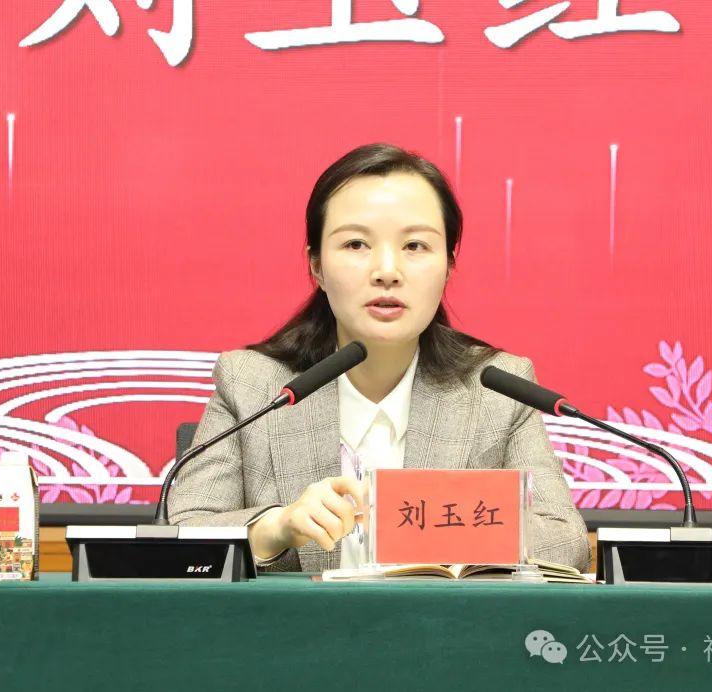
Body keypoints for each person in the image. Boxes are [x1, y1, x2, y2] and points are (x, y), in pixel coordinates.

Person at [166, 143, 590, 573]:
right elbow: (182, 534)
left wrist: (438, 527)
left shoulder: (498, 389)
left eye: (415, 245)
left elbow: (565, 541)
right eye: (356, 244)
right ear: (316, 265)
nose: (387, 271)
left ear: (449, 265)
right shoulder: (252, 384)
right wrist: (274, 528)